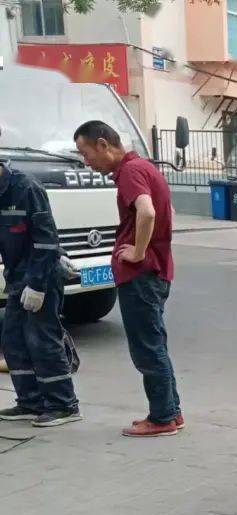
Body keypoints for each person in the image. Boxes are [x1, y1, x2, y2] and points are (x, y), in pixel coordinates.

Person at [73, 121, 182, 437]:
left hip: (142, 276)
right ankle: (170, 412)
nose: (86, 161)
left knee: (147, 349)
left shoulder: (132, 173)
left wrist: (137, 251)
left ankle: (162, 418)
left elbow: (147, 213)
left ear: (103, 145)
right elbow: (168, 211)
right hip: (156, 271)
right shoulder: (144, 168)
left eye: (86, 152)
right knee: (155, 344)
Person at [0, 159, 81, 426]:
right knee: (13, 339)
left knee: (42, 339)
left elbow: (47, 241)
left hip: (42, 274)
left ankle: (63, 405)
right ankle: (31, 401)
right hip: (15, 276)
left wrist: (37, 285)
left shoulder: (26, 188)